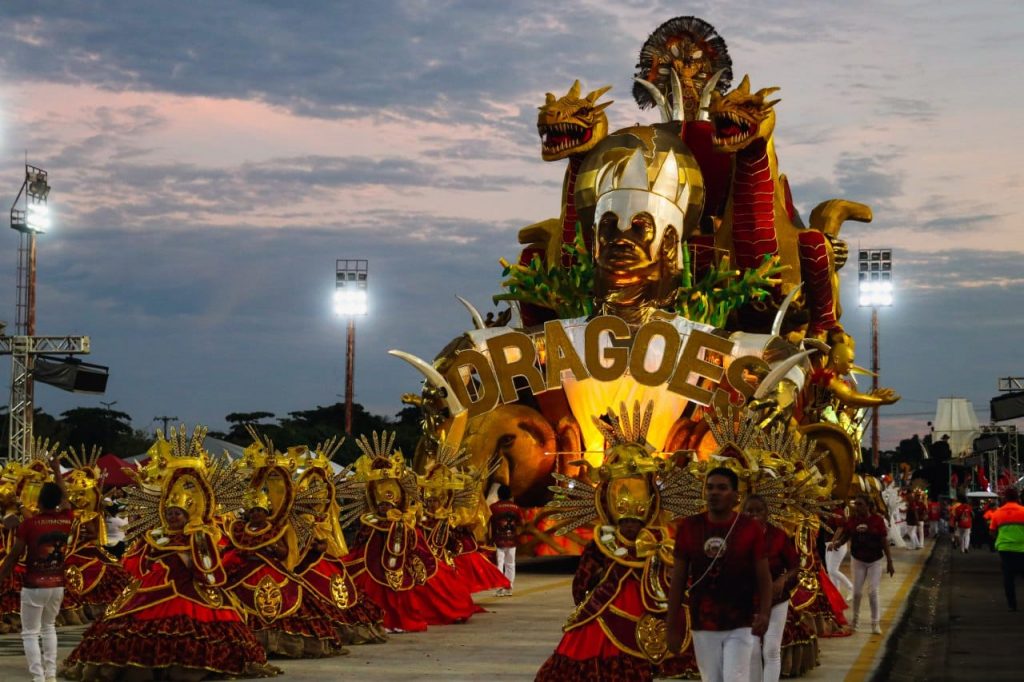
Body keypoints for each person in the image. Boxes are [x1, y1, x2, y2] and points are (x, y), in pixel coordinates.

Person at [667, 467, 772, 682]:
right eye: (710, 488)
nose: (714, 493)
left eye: (722, 488)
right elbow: (677, 581)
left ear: (735, 496)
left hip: (741, 621)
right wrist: (672, 626)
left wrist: (764, 613)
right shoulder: (689, 527)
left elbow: (764, 577)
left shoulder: (749, 528)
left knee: (736, 678)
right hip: (703, 622)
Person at [0, 455, 71, 682]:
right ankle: (50, 675)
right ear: (57, 502)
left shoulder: (30, 524)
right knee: (49, 628)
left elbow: (13, 556)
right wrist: (57, 472)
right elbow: (67, 500)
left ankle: (38, 677)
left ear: (38, 501)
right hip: (57, 585)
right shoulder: (66, 519)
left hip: (34, 585)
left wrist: (1, 576)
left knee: (30, 632)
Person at [744, 495, 799, 682]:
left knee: (771, 649)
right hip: (749, 601)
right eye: (749, 511)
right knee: (751, 651)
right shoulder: (734, 537)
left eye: (758, 511)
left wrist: (783, 579)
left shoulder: (779, 536)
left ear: (766, 514)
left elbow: (795, 566)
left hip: (777, 600)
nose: (753, 515)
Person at [828, 494, 894, 633]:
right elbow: (846, 534)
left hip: (875, 560)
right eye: (855, 504)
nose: (856, 507)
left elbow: (884, 541)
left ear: (868, 506)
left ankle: (875, 623)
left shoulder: (877, 520)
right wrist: (838, 543)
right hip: (858, 560)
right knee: (857, 593)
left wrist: (889, 561)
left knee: (872, 592)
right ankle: (855, 622)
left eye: (860, 504)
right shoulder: (852, 520)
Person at [988, 487, 1024, 611]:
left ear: (1005, 498)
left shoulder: (998, 512)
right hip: (1022, 548)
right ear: (1018, 498)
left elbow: (992, 531)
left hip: (1005, 548)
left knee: (1008, 577)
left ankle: (1012, 605)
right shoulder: (1023, 511)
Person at [489, 484, 523, 596]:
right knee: (510, 564)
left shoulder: (493, 508)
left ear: (498, 495)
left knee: (499, 563)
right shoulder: (516, 507)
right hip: (512, 540)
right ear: (510, 495)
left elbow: (488, 525)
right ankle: (509, 587)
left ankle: (499, 588)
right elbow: (521, 524)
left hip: (498, 540)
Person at [824, 504, 853, 602]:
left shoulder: (838, 512)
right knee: (831, 571)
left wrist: (833, 542)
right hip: (829, 544)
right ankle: (836, 595)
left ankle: (850, 587)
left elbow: (840, 528)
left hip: (836, 545)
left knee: (832, 570)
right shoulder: (833, 512)